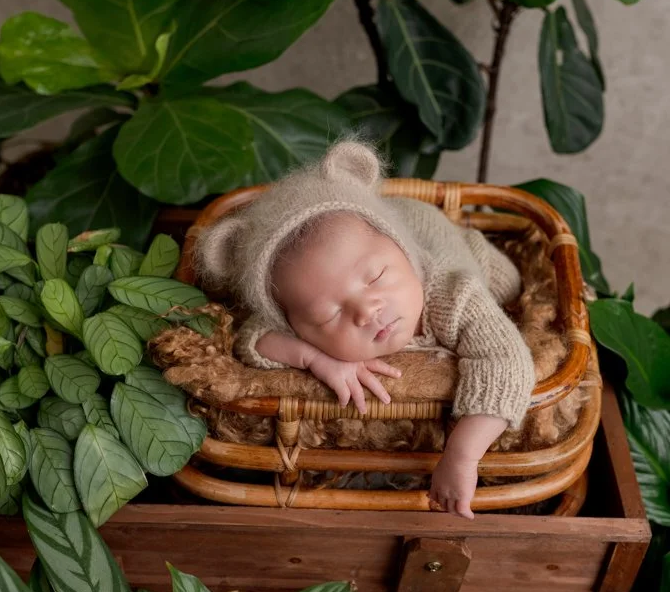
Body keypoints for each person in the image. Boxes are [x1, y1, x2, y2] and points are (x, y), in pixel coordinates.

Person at [196, 141, 535, 519]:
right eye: (330, 315)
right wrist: (317, 359)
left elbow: (507, 361)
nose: (366, 310)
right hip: (371, 234)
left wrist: (462, 455)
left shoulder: (452, 293)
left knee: (510, 286)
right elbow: (253, 339)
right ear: (295, 324)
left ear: (403, 254)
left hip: (445, 237)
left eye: (376, 277)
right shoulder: (294, 304)